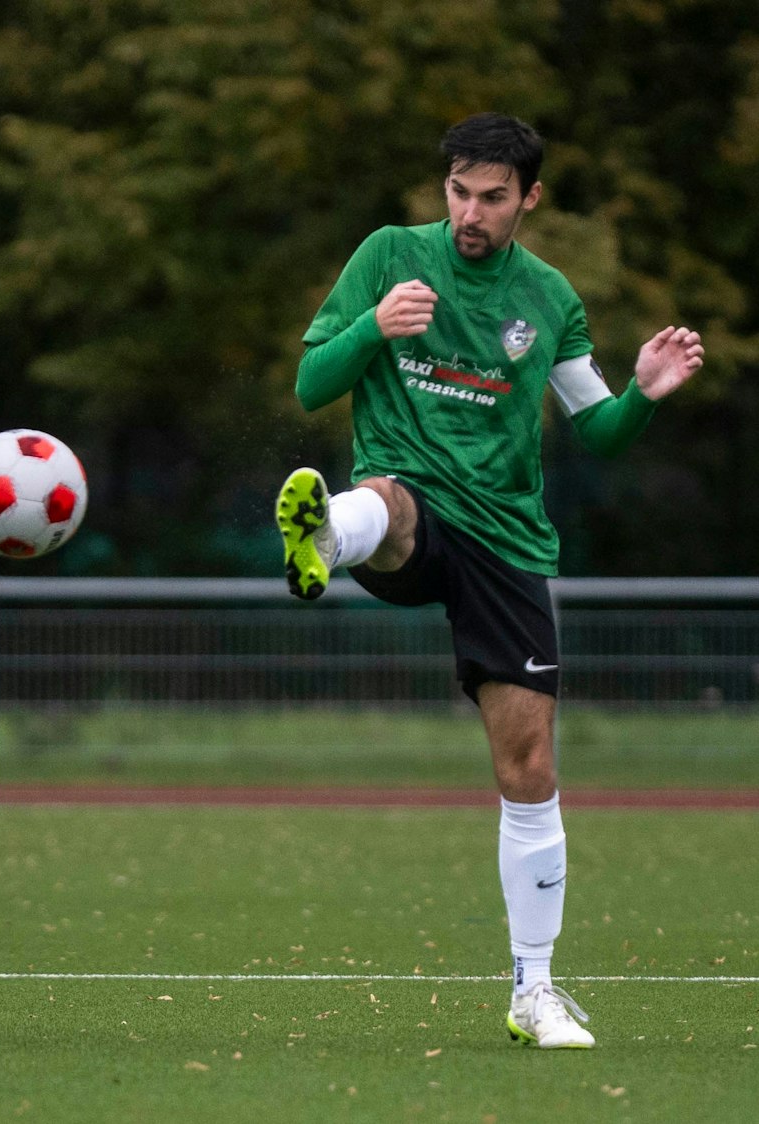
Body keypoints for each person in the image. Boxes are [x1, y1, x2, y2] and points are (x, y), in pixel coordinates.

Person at [275, 113, 705, 1050]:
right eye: (459, 192)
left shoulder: (549, 299)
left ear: (530, 199)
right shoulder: (389, 256)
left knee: (530, 770)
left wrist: (644, 394)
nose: (471, 213)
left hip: (508, 544)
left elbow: (598, 432)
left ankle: (533, 993)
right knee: (386, 502)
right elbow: (313, 382)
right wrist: (373, 331)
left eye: (493, 197)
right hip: (415, 504)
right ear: (446, 189)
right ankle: (327, 535)